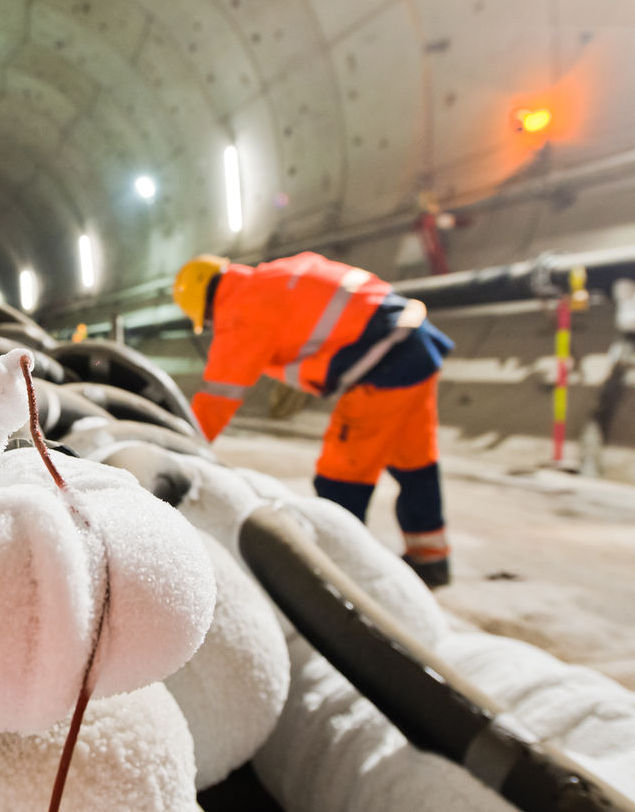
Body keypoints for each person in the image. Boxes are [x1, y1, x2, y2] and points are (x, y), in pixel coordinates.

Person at [172, 252, 455, 588]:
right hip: (416, 344)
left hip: (385, 366)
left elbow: (217, 399)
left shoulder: (240, 308)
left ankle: (338, 575)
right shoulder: (277, 274)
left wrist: (181, 445)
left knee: (340, 478)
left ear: (203, 306)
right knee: (414, 463)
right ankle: (431, 561)